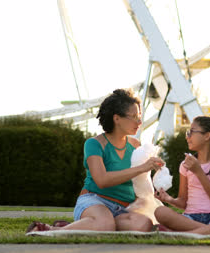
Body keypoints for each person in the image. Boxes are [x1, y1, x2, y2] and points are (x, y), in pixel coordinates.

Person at [26, 89, 164, 233]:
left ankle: (83, 225)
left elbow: (139, 181)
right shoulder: (94, 144)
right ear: (117, 119)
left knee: (143, 225)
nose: (139, 121)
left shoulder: (136, 145)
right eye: (134, 116)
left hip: (124, 208)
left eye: (140, 116)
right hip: (95, 201)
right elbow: (102, 180)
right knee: (104, 225)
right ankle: (50, 229)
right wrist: (142, 167)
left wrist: (155, 181)